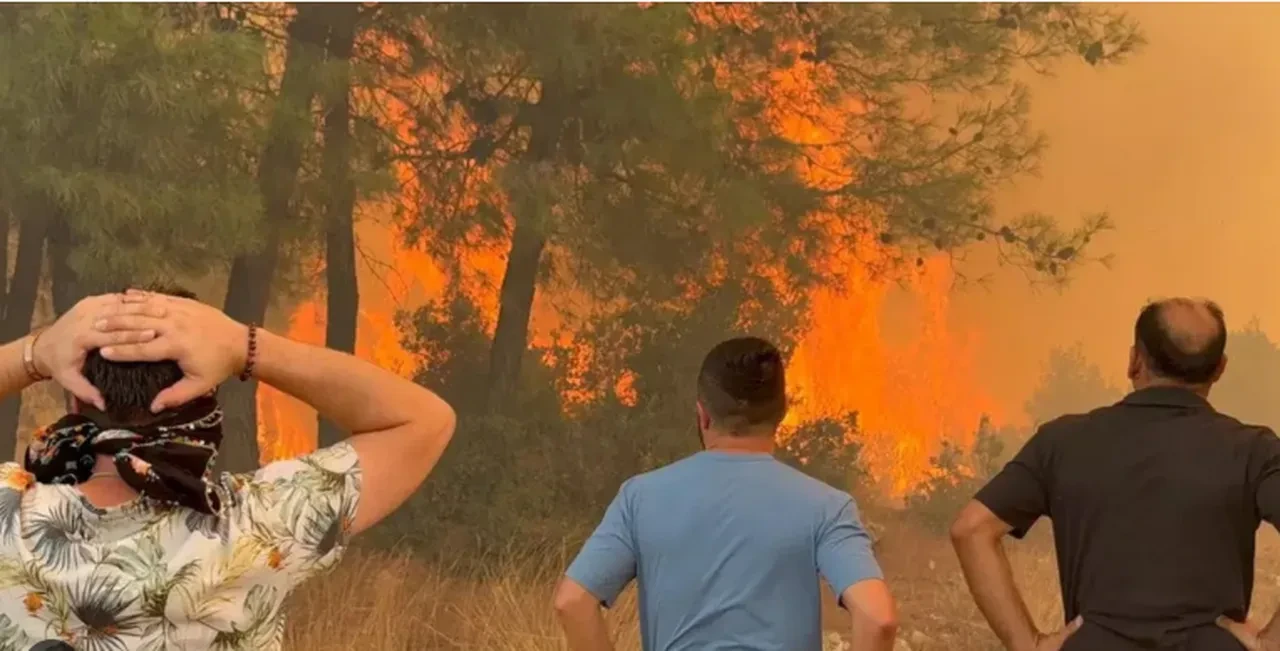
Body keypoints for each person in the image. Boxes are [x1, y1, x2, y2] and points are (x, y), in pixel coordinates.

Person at [0, 287, 456, 650]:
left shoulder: (8, 520)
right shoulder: (259, 524)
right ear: (201, 403)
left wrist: (34, 353)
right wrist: (244, 346)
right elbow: (424, 420)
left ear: (75, 399)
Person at [951, 297, 1280, 651]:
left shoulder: (1063, 441)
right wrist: (1271, 642)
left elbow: (972, 529)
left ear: (1134, 361)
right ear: (1219, 369)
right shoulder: (1253, 451)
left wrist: (1027, 643)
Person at [553, 336, 897, 651]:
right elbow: (877, 619)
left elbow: (573, 602)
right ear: (782, 413)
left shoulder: (639, 498)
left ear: (703, 416)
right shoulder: (828, 506)